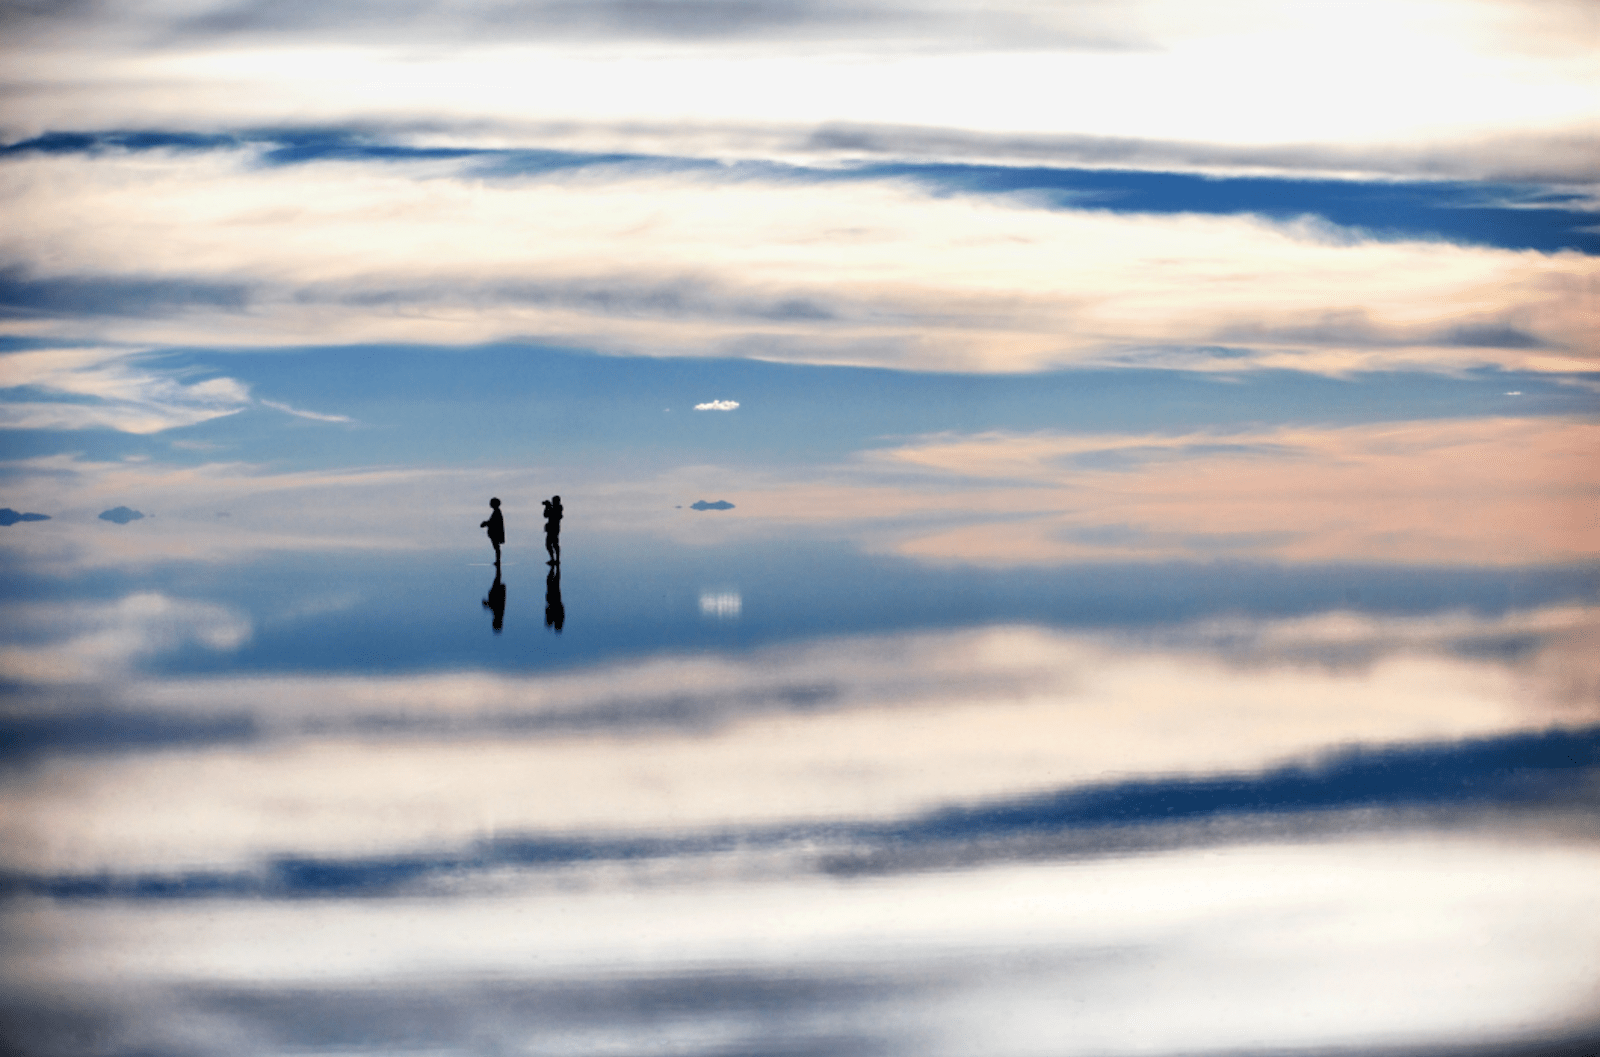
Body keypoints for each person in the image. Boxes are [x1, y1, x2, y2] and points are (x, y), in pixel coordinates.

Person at [480, 497, 505, 566]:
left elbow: (493, 522)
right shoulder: (496, 512)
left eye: (491, 503)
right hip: (494, 533)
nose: (490, 504)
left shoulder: (497, 512)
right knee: (496, 547)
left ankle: (498, 561)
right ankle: (497, 561)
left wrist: (485, 523)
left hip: (496, 533)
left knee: (497, 547)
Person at [541, 495, 562, 565]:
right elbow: (545, 515)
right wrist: (547, 507)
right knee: (548, 545)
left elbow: (553, 514)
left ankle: (557, 559)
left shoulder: (559, 508)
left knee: (555, 544)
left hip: (554, 529)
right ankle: (553, 559)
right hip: (551, 529)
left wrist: (548, 506)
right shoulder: (553, 508)